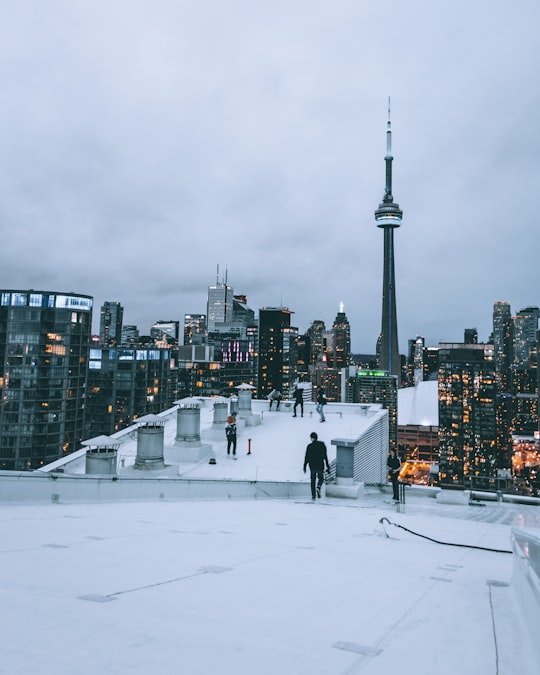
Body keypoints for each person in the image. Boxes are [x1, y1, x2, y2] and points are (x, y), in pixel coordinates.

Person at [303, 431, 330, 500]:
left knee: (313, 481)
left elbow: (307, 457)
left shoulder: (309, 446)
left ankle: (313, 495)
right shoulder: (322, 445)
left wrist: (304, 466)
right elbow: (325, 456)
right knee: (321, 478)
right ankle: (318, 487)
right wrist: (328, 466)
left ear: (312, 438)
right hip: (320, 465)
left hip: (312, 466)